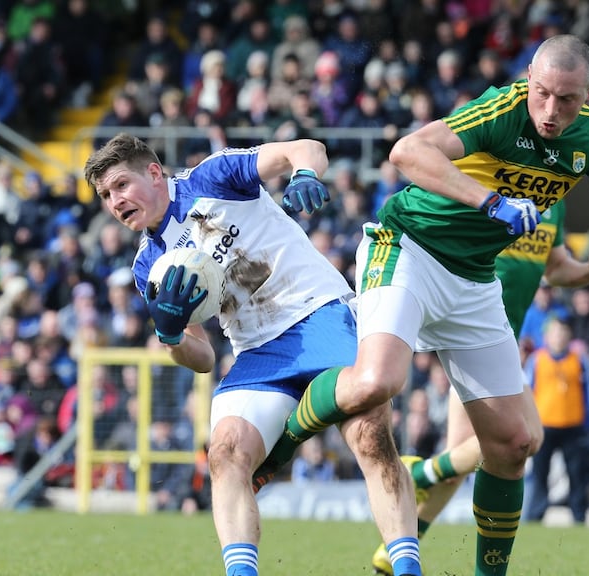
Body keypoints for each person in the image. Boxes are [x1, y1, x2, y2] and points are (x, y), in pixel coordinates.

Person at [254, 34, 589, 576]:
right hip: (410, 247)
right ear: (528, 79)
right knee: (376, 383)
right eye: (542, 93)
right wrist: (491, 202)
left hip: (475, 280)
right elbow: (407, 151)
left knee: (514, 442)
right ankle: (285, 439)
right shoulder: (503, 109)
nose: (551, 111)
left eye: (567, 100)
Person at [83, 134, 420, 576]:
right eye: (106, 195)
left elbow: (308, 147)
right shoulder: (150, 265)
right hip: (257, 351)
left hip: (320, 314)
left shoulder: (212, 177)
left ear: (153, 173)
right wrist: (171, 337)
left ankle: (407, 567)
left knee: (369, 437)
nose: (114, 201)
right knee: (224, 453)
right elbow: (202, 356)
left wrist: (303, 173)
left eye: (120, 185)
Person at [371, 199, 589, 574]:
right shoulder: (492, 182)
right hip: (472, 339)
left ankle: (394, 550)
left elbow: (554, 268)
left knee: (467, 456)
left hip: (503, 347)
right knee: (524, 439)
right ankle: (419, 478)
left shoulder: (554, 201)